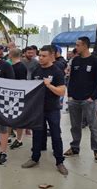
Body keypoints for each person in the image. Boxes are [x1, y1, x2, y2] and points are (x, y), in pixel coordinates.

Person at [21, 45, 68, 175]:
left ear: (51, 56)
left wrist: (49, 85)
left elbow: (62, 91)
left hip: (52, 108)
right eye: (39, 55)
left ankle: (59, 161)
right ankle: (35, 158)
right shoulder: (36, 70)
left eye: (43, 56)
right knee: (37, 134)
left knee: (55, 134)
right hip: (38, 109)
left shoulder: (57, 71)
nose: (40, 58)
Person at [65, 36, 97, 162]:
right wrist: (70, 94)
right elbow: (71, 78)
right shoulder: (75, 61)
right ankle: (75, 147)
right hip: (74, 99)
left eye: (78, 45)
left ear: (85, 46)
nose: (75, 48)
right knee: (75, 125)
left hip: (89, 99)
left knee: (93, 126)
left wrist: (92, 97)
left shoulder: (95, 61)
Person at [8, 48, 28, 149]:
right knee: (10, 117)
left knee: (18, 119)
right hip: (13, 95)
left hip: (17, 96)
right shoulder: (17, 66)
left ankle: (19, 139)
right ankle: (9, 137)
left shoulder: (18, 67)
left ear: (11, 55)